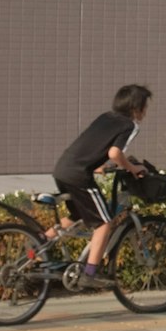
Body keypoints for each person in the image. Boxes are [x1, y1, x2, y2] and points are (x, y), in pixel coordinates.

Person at [50, 85, 151, 288]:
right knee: (104, 223)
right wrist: (132, 168)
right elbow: (115, 152)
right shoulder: (129, 125)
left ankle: (38, 245)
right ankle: (89, 273)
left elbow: (93, 145)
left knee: (76, 215)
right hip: (78, 174)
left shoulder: (105, 117)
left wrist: (100, 166)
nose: (146, 111)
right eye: (145, 106)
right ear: (136, 107)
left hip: (63, 168)